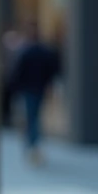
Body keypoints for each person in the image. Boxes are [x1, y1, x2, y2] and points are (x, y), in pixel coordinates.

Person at [8, 22, 61, 164]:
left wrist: (15, 88)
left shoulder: (26, 52)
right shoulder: (44, 51)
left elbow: (17, 72)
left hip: (28, 89)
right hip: (38, 89)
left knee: (31, 117)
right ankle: (33, 144)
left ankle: (32, 145)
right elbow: (53, 71)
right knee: (35, 116)